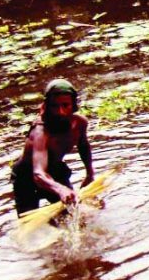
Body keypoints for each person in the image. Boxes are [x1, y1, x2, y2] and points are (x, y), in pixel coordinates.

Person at [10, 78, 95, 215]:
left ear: (73, 105)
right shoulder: (40, 132)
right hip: (27, 178)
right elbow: (38, 174)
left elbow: (83, 145)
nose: (60, 111)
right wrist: (60, 189)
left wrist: (89, 173)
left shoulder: (80, 123)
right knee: (30, 225)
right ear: (47, 107)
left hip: (55, 171)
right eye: (55, 106)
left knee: (73, 211)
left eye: (65, 105)